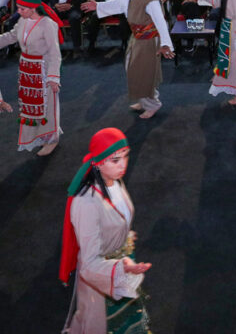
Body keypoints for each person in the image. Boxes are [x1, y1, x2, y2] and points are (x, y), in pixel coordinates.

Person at [59, 128, 151, 334]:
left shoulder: (114, 181)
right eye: (115, 160)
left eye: (125, 157)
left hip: (121, 266)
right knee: (101, 325)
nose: (123, 165)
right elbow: (89, 264)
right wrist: (121, 268)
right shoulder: (86, 203)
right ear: (99, 162)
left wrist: (125, 238)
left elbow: (118, 218)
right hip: (102, 280)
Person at [0, 0, 64, 156]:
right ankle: (40, 136)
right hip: (27, 68)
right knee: (32, 106)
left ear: (33, 8)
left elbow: (54, 52)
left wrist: (53, 76)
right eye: (18, 8)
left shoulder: (47, 24)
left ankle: (52, 139)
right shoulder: (22, 21)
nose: (18, 11)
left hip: (43, 68)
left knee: (47, 105)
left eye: (22, 9)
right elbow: (11, 37)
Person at [84, 0, 175, 119]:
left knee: (143, 72)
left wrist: (166, 44)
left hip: (148, 39)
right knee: (133, 69)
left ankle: (152, 104)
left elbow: (160, 21)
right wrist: (99, 6)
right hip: (137, 36)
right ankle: (144, 98)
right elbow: (122, 4)